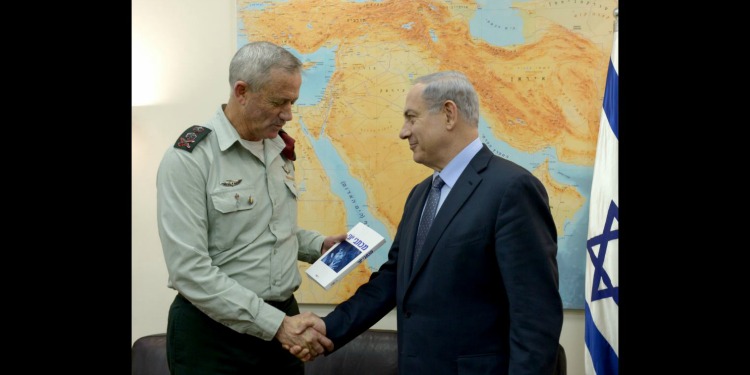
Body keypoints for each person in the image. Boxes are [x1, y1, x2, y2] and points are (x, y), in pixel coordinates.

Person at [289, 70, 564, 374]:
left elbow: (535, 315)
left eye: (411, 118)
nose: (403, 132)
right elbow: (393, 279)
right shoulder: (420, 195)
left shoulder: (511, 189)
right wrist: (328, 327)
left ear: (448, 114)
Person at [156, 40, 346, 374]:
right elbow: (189, 270)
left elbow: (267, 229)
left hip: (281, 328)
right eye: (279, 102)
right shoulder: (191, 158)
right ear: (241, 91)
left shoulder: (276, 146)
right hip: (214, 336)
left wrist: (318, 245)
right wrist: (275, 324)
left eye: (292, 102)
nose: (288, 114)